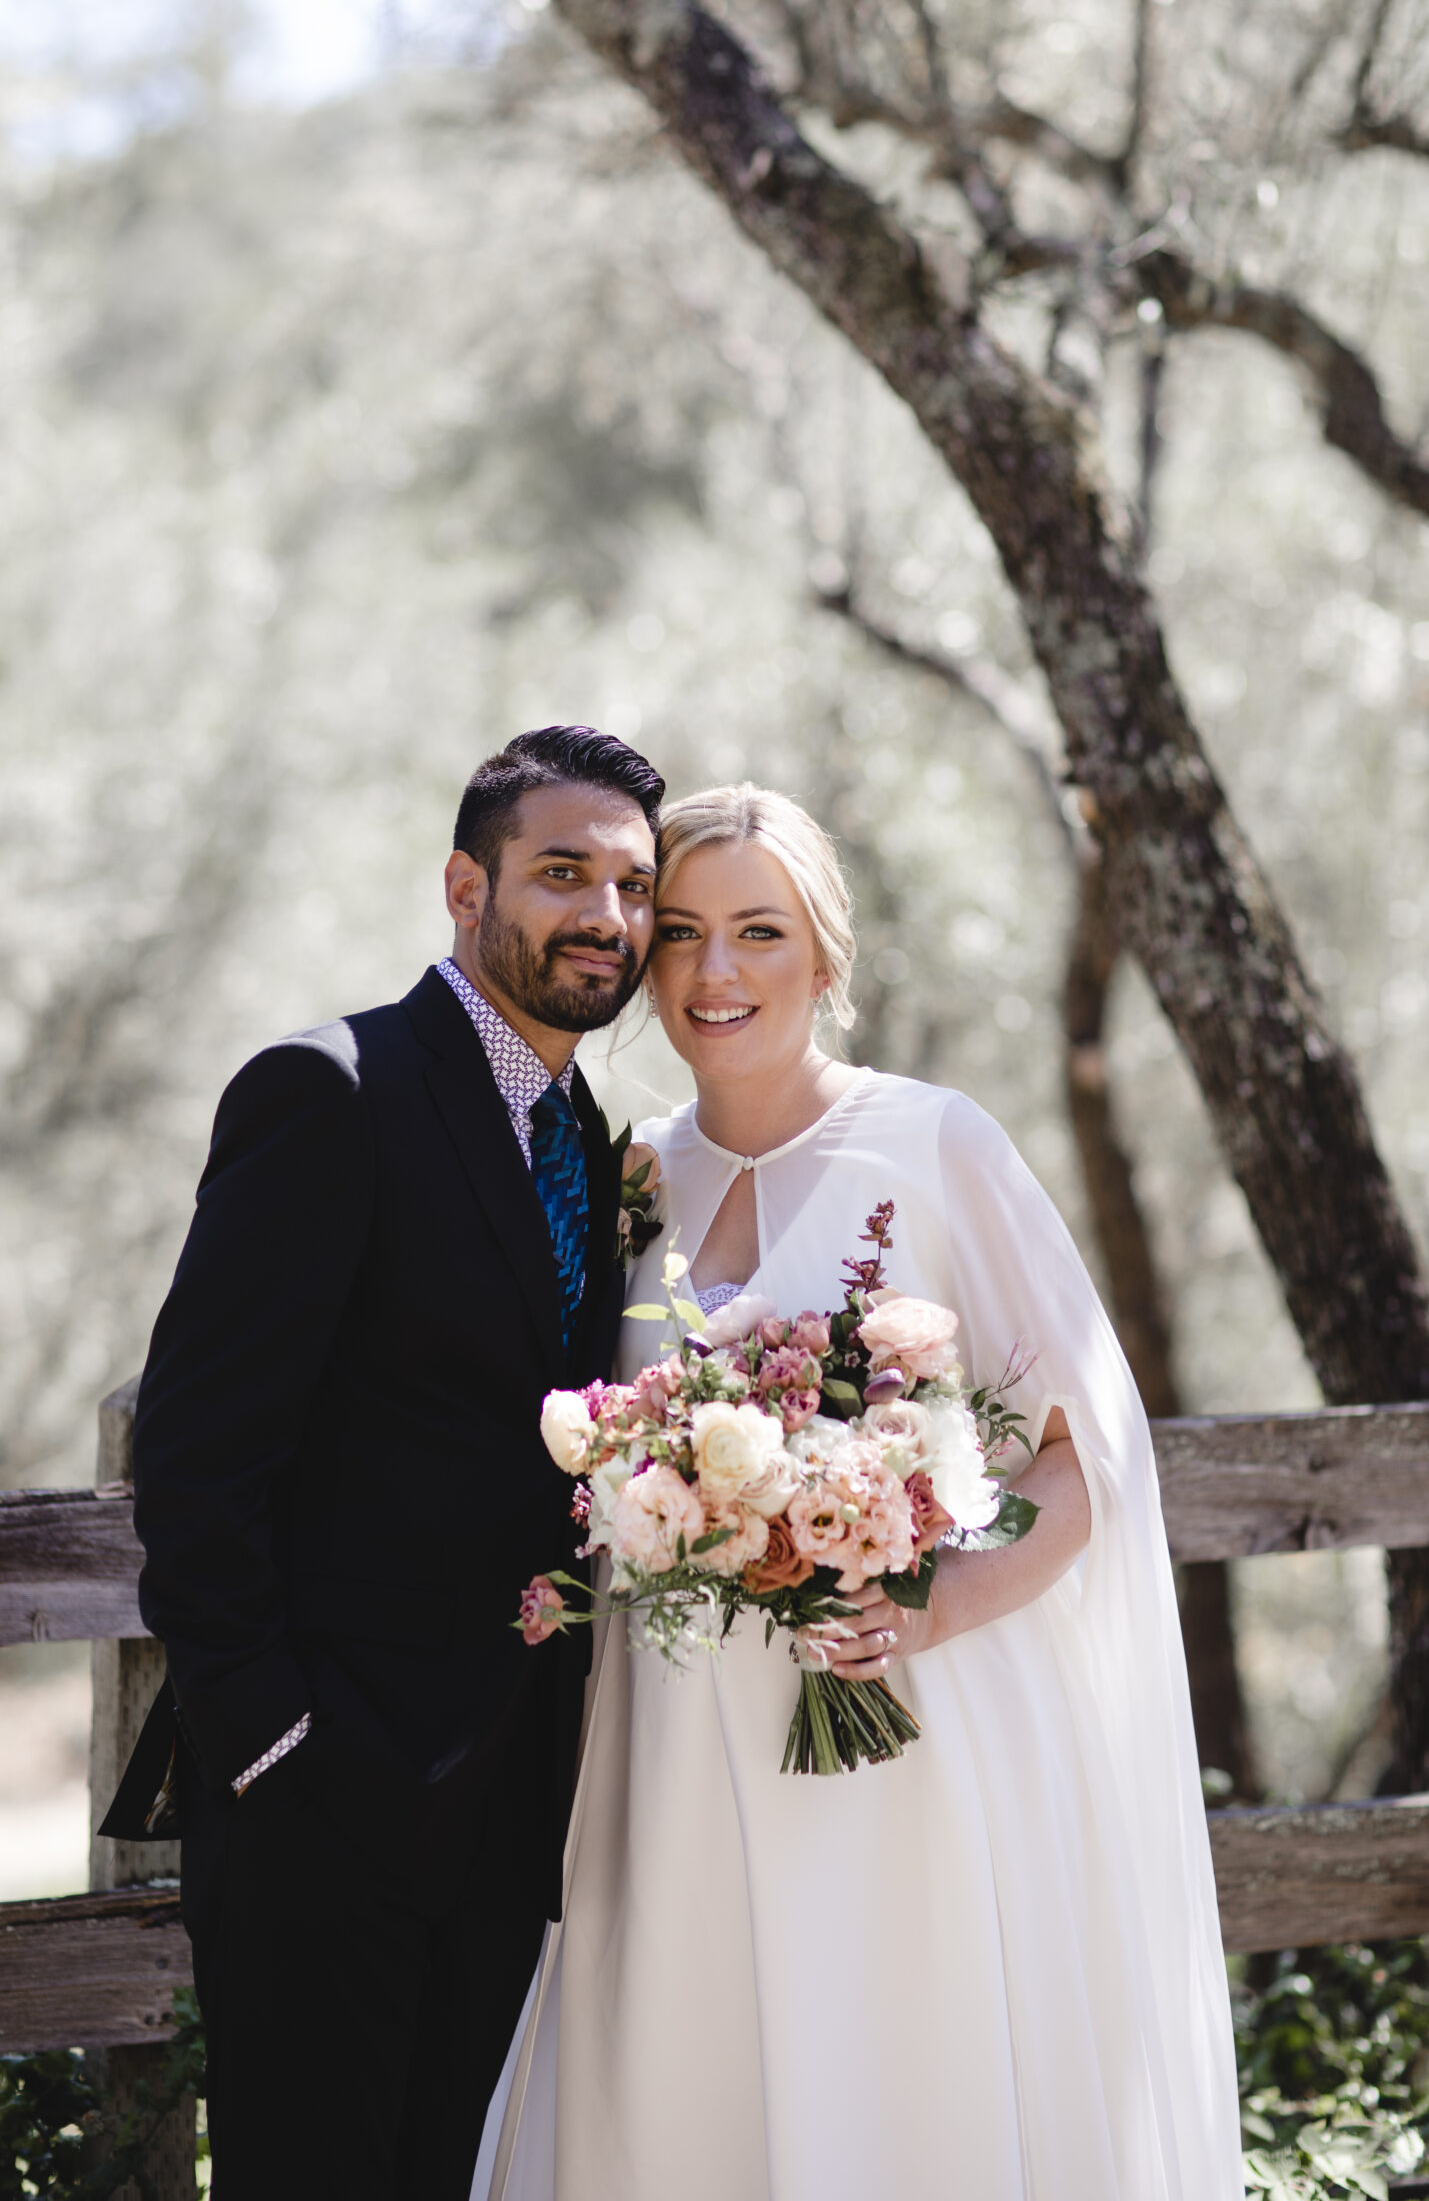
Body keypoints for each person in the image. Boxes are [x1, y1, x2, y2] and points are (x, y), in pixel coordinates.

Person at [482, 782, 1244, 2201]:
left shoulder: (938, 1148)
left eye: (761, 932)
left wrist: (937, 1602)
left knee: (879, 2083)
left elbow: (1088, 1458)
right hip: (668, 1742)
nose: (718, 973)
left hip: (885, 1729)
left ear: (824, 958)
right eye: (688, 935)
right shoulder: (628, 1169)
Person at [99, 724, 665, 2201]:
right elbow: (198, 1453)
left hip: (513, 1804)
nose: (603, 917)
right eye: (561, 874)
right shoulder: (329, 1091)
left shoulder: (588, 1143)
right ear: (464, 888)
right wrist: (275, 1748)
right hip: (321, 1805)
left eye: (629, 885)